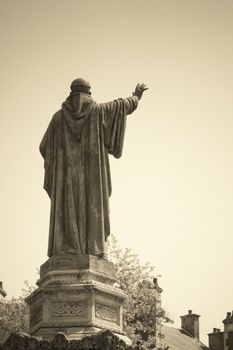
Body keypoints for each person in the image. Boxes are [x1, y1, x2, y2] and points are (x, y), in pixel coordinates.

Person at [40, 79, 148, 258]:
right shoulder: (99, 111)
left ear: (71, 94)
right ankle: (94, 248)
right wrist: (137, 96)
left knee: (68, 207)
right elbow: (123, 106)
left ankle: (66, 247)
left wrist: (59, 166)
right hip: (93, 178)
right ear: (89, 93)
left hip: (66, 180)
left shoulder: (58, 118)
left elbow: (44, 147)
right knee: (93, 206)